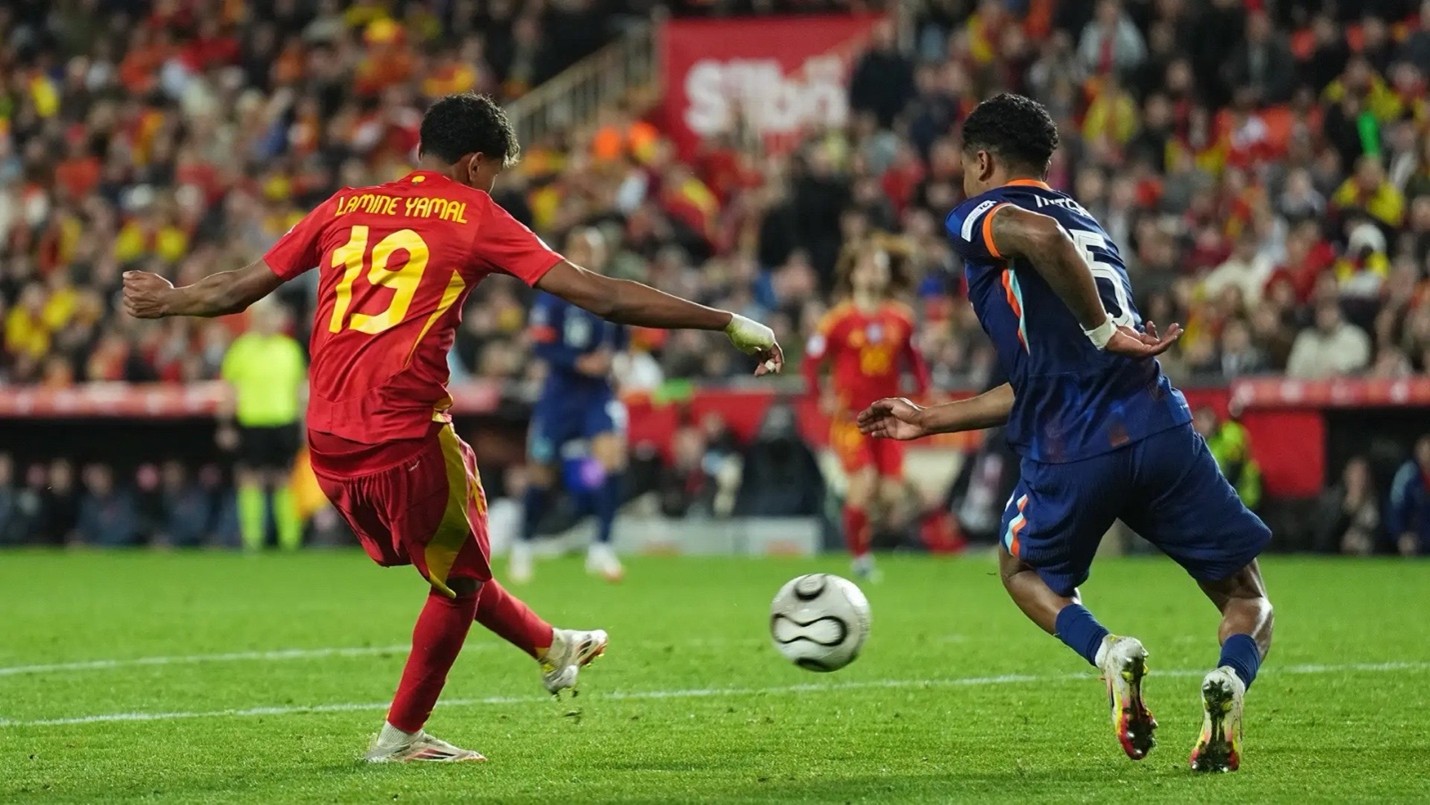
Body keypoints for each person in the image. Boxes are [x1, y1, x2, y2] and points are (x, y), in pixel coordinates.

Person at [123, 92, 783, 764]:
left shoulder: (344, 205)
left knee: (455, 561)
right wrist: (726, 321)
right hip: (403, 434)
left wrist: (171, 300)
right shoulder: (473, 213)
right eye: (493, 172)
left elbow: (241, 285)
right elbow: (602, 295)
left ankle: (552, 646)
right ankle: (400, 738)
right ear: (473, 164)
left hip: (327, 440)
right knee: (460, 578)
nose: (492, 185)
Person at [857, 94, 1273, 773]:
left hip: (1071, 444)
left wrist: (1103, 331)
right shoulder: (1089, 223)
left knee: (1020, 568)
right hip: (1158, 426)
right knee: (1246, 596)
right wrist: (931, 416)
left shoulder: (984, 214)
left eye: (964, 168)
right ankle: (1229, 678)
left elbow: (1040, 241)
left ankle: (1110, 652)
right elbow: (1042, 371)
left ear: (982, 162)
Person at [803, 237, 930, 580]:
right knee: (865, 483)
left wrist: (923, 393)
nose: (874, 273)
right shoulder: (837, 320)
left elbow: (916, 361)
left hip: (888, 419)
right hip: (852, 418)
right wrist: (821, 395)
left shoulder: (901, 318)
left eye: (879, 268)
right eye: (868, 267)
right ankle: (861, 559)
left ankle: (847, 509)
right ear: (854, 274)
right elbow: (811, 363)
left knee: (890, 495)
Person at [511, 226, 627, 585]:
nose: (587, 257)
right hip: (559, 395)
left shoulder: (609, 296)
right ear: (569, 253)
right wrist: (577, 362)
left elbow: (621, 340)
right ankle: (523, 543)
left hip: (596, 394)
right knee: (541, 473)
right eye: (581, 250)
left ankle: (602, 546)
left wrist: (615, 361)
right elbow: (541, 345)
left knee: (610, 459)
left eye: (593, 251)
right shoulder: (554, 296)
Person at [218, 300, 307, 551]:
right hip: (252, 421)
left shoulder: (290, 349)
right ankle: (252, 538)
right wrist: (226, 425)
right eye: (262, 316)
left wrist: (304, 424)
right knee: (250, 478)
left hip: (283, 420)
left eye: (271, 316)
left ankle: (290, 539)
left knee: (284, 479)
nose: (267, 321)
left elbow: (300, 390)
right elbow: (229, 390)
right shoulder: (241, 349)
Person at [1387, 435, 1430, 557]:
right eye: (1426, 451)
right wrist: (1400, 534)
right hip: (1416, 538)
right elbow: (1396, 506)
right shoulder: (1407, 474)